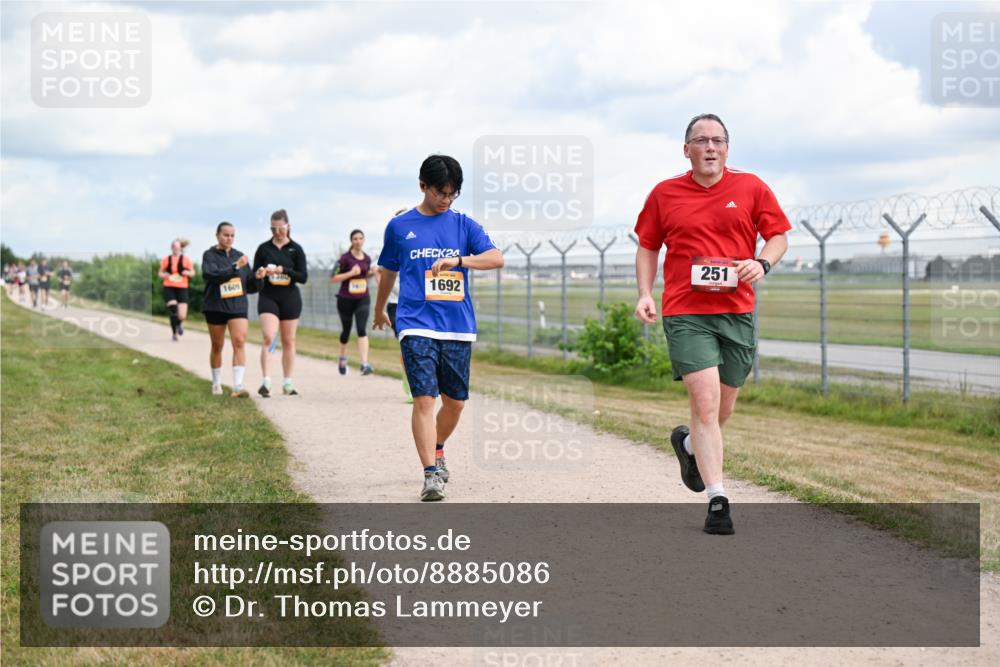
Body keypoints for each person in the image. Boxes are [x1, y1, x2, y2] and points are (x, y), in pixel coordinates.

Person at [633, 113, 790, 535]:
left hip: (737, 312)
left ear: (727, 148)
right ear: (687, 150)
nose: (710, 147)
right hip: (686, 312)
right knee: (703, 405)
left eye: (717, 140)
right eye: (700, 141)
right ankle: (718, 498)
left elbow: (778, 236)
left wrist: (761, 262)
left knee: (723, 408)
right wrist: (646, 293)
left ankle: (688, 446)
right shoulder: (665, 194)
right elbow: (648, 246)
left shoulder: (751, 187)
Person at [374, 155, 504, 501]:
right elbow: (387, 271)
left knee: (456, 403)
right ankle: (431, 474)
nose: (445, 200)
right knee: (424, 398)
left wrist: (460, 260)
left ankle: (439, 447)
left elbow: (496, 257)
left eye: (452, 194)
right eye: (439, 193)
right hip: (415, 321)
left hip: (458, 326)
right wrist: (379, 309)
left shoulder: (464, 226)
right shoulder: (400, 227)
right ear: (423, 186)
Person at [201, 222, 261, 397]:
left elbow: (249, 286)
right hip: (216, 305)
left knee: (239, 341)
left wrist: (258, 277)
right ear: (217, 235)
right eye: (226, 235)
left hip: (237, 305)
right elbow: (211, 276)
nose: (229, 238)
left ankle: (237, 386)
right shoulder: (209, 255)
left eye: (232, 235)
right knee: (217, 345)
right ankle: (216, 383)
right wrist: (235, 267)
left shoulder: (240, 256)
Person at [253, 210, 308, 397]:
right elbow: (254, 277)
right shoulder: (263, 249)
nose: (277, 232)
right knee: (269, 337)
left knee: (288, 340)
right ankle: (266, 381)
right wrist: (260, 274)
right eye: (273, 228)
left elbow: (303, 277)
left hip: (290, 298)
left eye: (280, 228)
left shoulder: (296, 249)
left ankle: (287, 382)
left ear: (288, 227)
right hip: (269, 297)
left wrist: (284, 269)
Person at [330, 229, 378, 376]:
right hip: (345, 299)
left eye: (360, 238)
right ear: (351, 241)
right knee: (346, 331)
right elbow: (333, 278)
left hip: (362, 298)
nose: (358, 241)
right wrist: (350, 273)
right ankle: (342, 357)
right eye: (355, 239)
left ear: (363, 241)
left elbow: (364, 276)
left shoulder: (367, 259)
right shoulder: (344, 259)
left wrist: (372, 272)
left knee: (362, 329)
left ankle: (364, 363)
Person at [384, 208, 413, 403]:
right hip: (396, 304)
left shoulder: (417, 245)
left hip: (415, 303)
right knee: (407, 345)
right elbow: (382, 273)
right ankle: (409, 383)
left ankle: (418, 381)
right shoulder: (390, 248)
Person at [158, 239, 196, 342]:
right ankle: (174, 333)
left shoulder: (186, 260)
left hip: (182, 287)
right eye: (174, 247)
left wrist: (187, 273)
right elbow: (160, 273)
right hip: (169, 287)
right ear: (171, 248)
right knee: (173, 309)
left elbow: (193, 272)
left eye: (177, 247)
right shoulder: (166, 259)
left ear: (181, 248)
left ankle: (179, 323)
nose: (176, 249)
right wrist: (164, 275)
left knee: (182, 315)